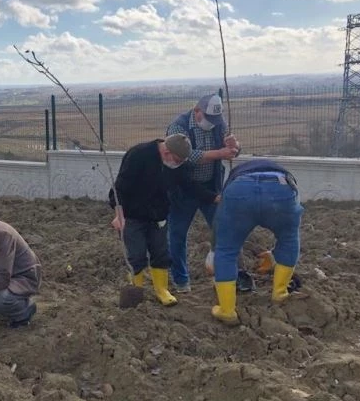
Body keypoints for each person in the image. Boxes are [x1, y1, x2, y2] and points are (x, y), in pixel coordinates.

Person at [110, 134, 219, 306]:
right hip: (132, 215)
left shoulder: (177, 165)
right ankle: (136, 292)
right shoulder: (139, 154)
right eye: (176, 160)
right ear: (166, 152)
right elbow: (120, 187)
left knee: (161, 253)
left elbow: (188, 185)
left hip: (158, 215)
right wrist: (119, 214)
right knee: (136, 255)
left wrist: (214, 198)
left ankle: (161, 290)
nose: (178, 164)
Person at [210, 158, 303, 325]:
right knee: (289, 239)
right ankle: (280, 293)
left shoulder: (235, 176)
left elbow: (219, 221)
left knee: (227, 250)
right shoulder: (283, 172)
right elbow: (290, 227)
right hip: (280, 189)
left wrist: (213, 251)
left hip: (239, 191)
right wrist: (275, 255)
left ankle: (227, 310)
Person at [165, 93, 240, 292]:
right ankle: (181, 281)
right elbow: (188, 156)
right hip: (184, 190)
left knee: (222, 228)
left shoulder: (218, 123)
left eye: (215, 120)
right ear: (197, 111)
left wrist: (234, 147)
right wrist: (220, 153)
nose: (212, 124)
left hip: (210, 186)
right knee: (177, 235)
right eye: (207, 119)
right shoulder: (179, 127)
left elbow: (232, 149)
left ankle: (222, 272)